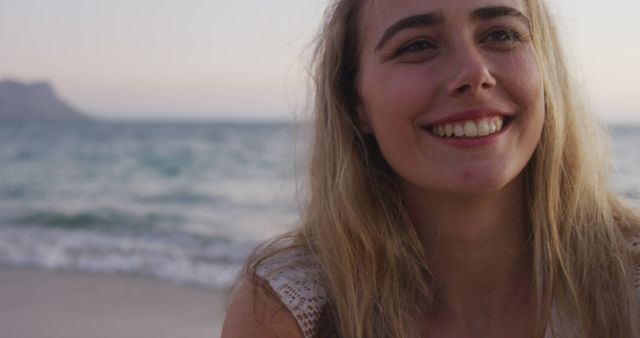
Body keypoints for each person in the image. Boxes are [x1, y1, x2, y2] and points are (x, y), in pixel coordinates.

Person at [222, 0, 640, 337]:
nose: (474, 74)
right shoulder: (290, 314)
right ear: (356, 104)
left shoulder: (630, 285)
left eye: (501, 34)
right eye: (417, 45)